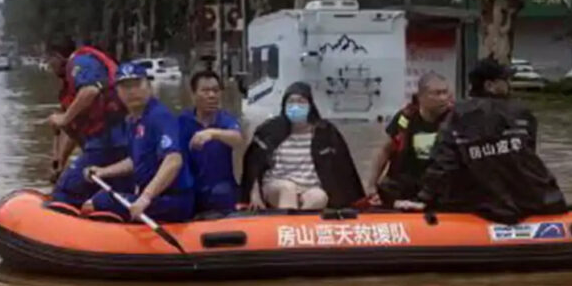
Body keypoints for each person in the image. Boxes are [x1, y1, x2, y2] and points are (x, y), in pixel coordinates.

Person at [402, 58, 568, 224]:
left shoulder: (456, 117)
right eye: (505, 81)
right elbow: (528, 157)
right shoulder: (521, 114)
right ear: (490, 86)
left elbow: (443, 165)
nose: (509, 85)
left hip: (480, 205)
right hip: (531, 201)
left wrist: (423, 198)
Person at [83, 62, 195, 222]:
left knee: (100, 201)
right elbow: (137, 161)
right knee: (106, 192)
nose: (132, 92)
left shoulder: (159, 116)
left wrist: (145, 198)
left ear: (149, 86)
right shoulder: (133, 121)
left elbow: (173, 160)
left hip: (172, 200)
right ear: (118, 92)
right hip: (154, 196)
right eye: (125, 87)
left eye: (137, 85)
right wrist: (103, 171)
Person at [240, 82, 365, 210]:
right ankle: (285, 225)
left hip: (310, 187)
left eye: (301, 102)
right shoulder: (269, 131)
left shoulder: (326, 133)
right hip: (276, 185)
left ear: (310, 105)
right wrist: (254, 194)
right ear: (284, 105)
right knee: (287, 189)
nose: (296, 106)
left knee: (320, 197)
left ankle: (299, 225)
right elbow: (253, 165)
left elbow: (343, 167)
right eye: (291, 102)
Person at [44, 37, 129, 207]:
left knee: (64, 193)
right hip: (108, 143)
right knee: (113, 195)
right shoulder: (74, 81)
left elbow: (90, 90)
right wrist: (61, 161)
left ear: (56, 57)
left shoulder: (80, 63)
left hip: (108, 142)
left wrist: (63, 118)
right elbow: (76, 129)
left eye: (49, 60)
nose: (49, 66)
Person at [365, 72, 452, 206]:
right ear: (421, 97)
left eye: (445, 93)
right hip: (405, 184)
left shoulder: (455, 119)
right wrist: (371, 186)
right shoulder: (405, 118)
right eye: (437, 93)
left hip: (439, 186)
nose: (443, 98)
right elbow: (384, 151)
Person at [179, 70, 246, 216]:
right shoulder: (182, 121)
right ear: (193, 95)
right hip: (191, 189)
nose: (211, 95)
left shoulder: (225, 119)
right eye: (205, 91)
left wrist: (213, 133)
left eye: (215, 91)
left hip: (221, 189)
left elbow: (238, 139)